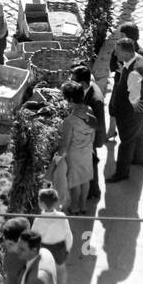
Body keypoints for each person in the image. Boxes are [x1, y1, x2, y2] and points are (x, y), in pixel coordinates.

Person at [106, 38, 143, 181]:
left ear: (125, 53)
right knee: (138, 133)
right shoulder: (138, 59)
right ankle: (140, 159)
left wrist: (134, 104)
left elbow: (134, 94)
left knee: (126, 141)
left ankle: (122, 173)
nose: (116, 55)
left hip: (130, 113)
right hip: (138, 112)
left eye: (118, 53)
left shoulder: (134, 73)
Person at [55, 83, 97, 211]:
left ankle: (74, 208)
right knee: (85, 179)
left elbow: (65, 144)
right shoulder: (90, 111)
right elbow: (93, 133)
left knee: (75, 182)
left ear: (71, 100)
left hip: (74, 154)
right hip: (87, 150)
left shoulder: (69, 121)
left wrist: (57, 157)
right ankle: (83, 205)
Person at [31, 187, 73, 284]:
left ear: (41, 204)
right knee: (61, 269)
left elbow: (33, 236)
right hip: (60, 247)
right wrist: (68, 248)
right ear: (56, 203)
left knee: (45, 271)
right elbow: (68, 234)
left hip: (44, 249)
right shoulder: (62, 216)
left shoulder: (38, 220)